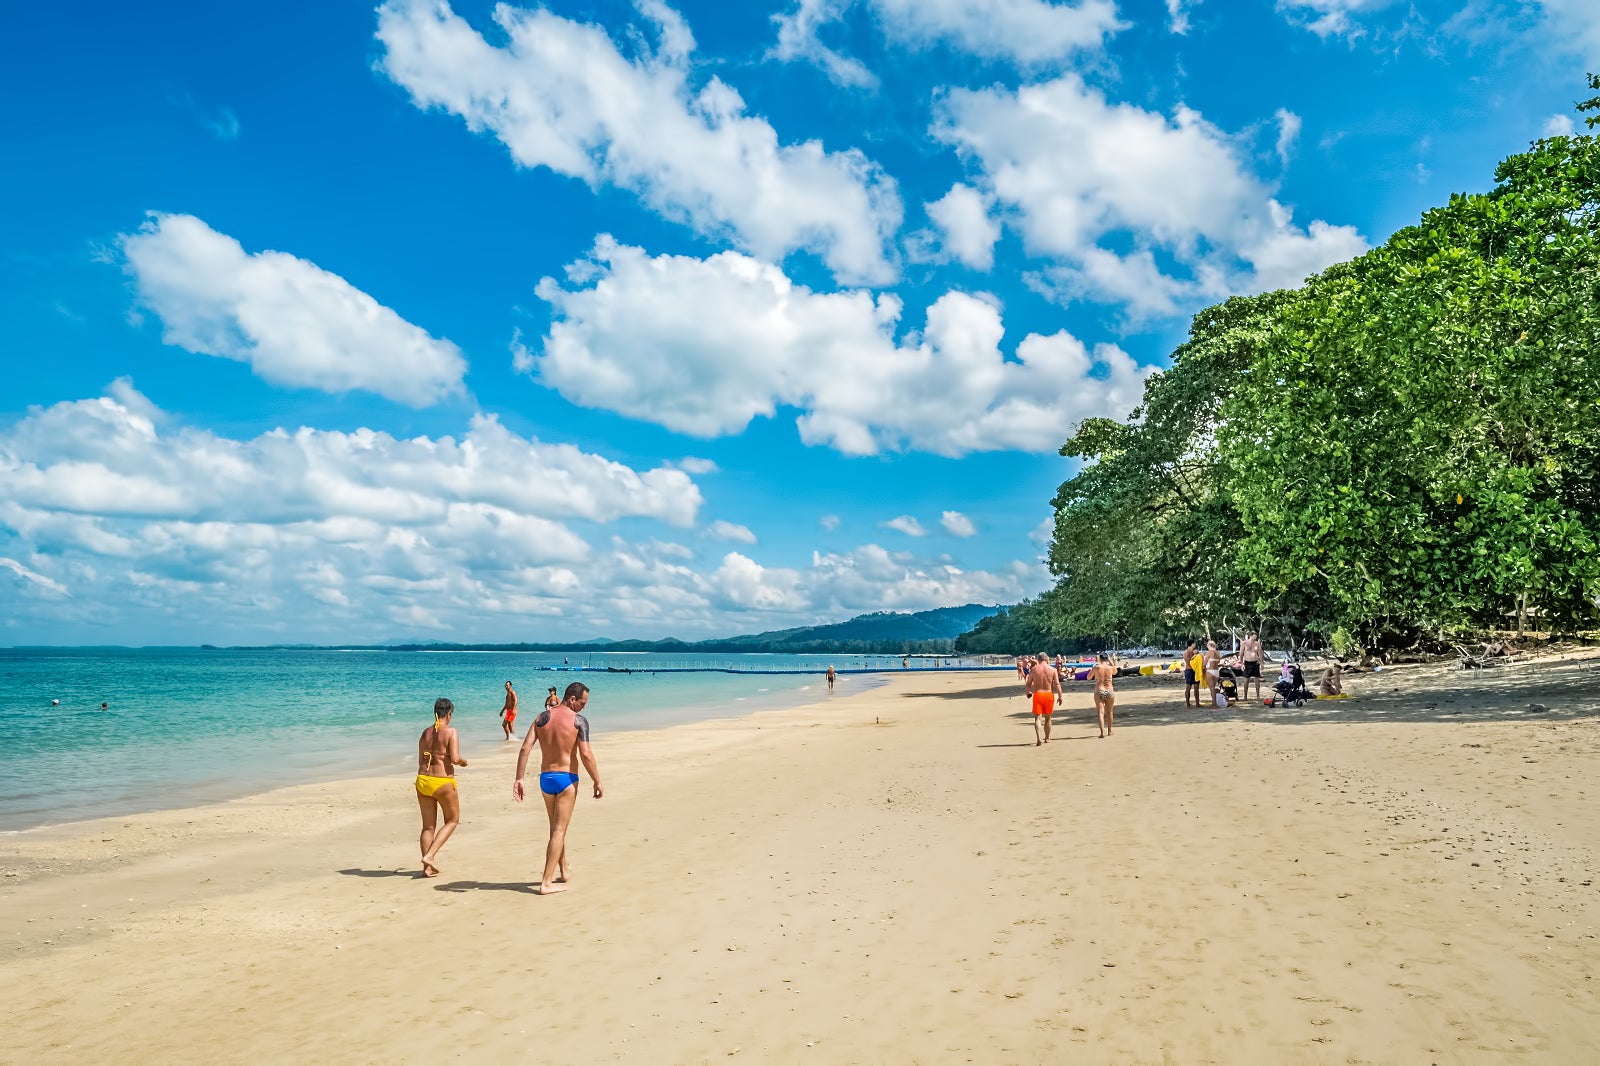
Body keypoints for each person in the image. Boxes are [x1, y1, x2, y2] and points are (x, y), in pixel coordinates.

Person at [513, 682, 603, 894]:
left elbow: (525, 747)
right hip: (566, 780)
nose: (583, 707)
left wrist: (519, 778)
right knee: (559, 829)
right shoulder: (579, 721)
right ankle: (546, 882)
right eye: (582, 702)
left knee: (555, 828)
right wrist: (597, 780)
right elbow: (586, 754)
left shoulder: (541, 718)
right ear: (572, 698)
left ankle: (563, 869)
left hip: (546, 779)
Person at [415, 697, 468, 877]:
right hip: (442, 782)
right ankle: (430, 856)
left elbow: (421, 759)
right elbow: (454, 758)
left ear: (435, 713)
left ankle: (427, 869)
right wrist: (463, 762)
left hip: (423, 781)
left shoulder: (425, 733)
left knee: (428, 827)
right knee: (452, 820)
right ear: (450, 714)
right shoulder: (451, 731)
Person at [1024, 651, 1062, 746]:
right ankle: (1047, 738)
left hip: (1038, 694)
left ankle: (1038, 738)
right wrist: (1060, 696)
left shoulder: (1033, 670)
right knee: (1048, 719)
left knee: (1038, 718)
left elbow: (1028, 683)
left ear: (1038, 659)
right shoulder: (1053, 670)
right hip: (1049, 694)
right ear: (1046, 659)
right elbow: (1057, 684)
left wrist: (1028, 692)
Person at [1088, 651, 1116, 738]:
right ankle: (1110, 731)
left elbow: (1088, 677)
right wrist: (1110, 660)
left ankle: (1102, 732)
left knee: (1100, 712)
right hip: (1109, 690)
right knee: (1109, 712)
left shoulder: (1096, 667)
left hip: (1099, 690)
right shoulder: (1110, 668)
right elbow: (1115, 671)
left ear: (1099, 658)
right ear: (1106, 658)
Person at [1239, 632, 1264, 701]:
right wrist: (1241, 663)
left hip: (1255, 662)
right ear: (1250, 636)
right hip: (1247, 663)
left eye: (1256, 637)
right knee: (1246, 679)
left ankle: (1258, 696)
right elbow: (1241, 654)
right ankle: (1245, 696)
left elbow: (1260, 653)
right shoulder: (1244, 643)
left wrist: (1262, 663)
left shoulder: (1257, 644)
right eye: (1254, 637)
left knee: (1257, 679)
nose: (1255, 638)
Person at [1182, 639, 1199, 707]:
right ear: (1192, 644)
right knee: (1195, 688)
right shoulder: (1192, 651)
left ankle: (1188, 703)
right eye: (1194, 644)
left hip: (1188, 670)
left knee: (1188, 688)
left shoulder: (1185, 652)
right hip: (1192, 670)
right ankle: (1197, 703)